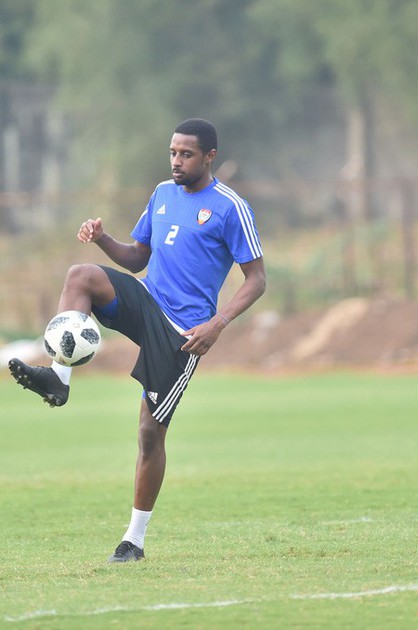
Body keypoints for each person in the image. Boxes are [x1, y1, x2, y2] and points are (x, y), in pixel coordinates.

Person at [8, 118, 266, 562]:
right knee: (80, 276)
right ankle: (59, 378)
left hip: (183, 331)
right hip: (147, 297)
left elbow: (257, 279)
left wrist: (217, 324)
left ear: (209, 157)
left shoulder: (229, 207)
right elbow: (137, 257)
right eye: (172, 152)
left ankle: (134, 540)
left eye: (186, 154)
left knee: (150, 433)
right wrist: (103, 238)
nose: (176, 161)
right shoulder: (163, 194)